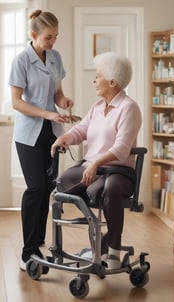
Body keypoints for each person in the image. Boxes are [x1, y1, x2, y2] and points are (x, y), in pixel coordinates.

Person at [51, 51, 142, 270]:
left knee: (107, 189)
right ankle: (100, 238)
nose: (94, 80)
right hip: (93, 170)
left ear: (112, 82)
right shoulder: (98, 107)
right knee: (64, 180)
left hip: (119, 171)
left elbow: (121, 149)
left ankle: (112, 250)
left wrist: (94, 163)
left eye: (98, 76)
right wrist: (65, 138)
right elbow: (81, 130)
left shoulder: (129, 108)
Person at [8, 9, 74, 271]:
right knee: (35, 188)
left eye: (56, 37)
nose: (52, 42)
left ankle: (37, 240)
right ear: (33, 34)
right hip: (28, 135)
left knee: (48, 188)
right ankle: (28, 252)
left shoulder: (55, 57)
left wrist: (63, 102)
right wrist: (47, 112)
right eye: (48, 37)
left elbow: (57, 93)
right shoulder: (21, 60)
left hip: (51, 132)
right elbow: (16, 102)